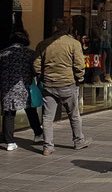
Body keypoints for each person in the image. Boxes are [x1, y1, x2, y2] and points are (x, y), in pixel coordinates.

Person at [34, 18, 92, 156]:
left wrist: (42, 77)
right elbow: (79, 64)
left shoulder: (43, 44)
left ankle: (47, 146)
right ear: (67, 29)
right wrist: (80, 79)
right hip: (68, 83)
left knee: (47, 117)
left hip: (49, 85)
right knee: (74, 114)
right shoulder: (74, 44)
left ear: (55, 28)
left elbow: (36, 65)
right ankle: (78, 140)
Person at [0, 30, 43, 151]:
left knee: (8, 114)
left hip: (7, 88)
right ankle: (38, 133)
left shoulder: (3, 53)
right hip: (24, 87)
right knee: (30, 110)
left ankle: (9, 141)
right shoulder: (30, 54)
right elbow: (35, 69)